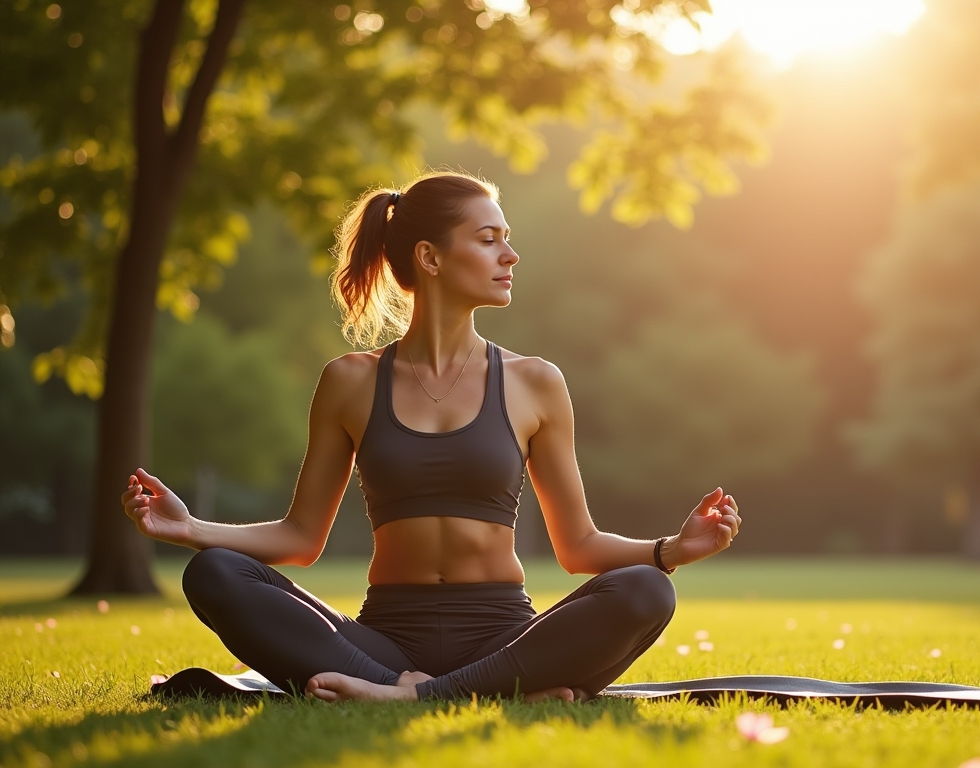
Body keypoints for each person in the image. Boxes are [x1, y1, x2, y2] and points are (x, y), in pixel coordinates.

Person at [121, 171, 742, 704]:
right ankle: (466, 689)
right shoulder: (349, 381)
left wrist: (671, 550)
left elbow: (578, 546)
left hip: (504, 634)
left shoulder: (535, 383)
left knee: (646, 589)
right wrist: (190, 529)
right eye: (489, 239)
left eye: (507, 239)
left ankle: (408, 695)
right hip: (384, 641)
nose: (510, 256)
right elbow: (301, 538)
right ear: (431, 257)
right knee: (216, 573)